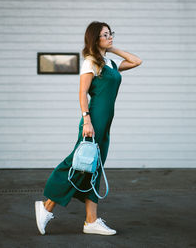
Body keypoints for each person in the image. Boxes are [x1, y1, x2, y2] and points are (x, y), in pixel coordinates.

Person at [35, 21, 142, 236]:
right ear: (95, 39)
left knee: (94, 168)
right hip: (92, 123)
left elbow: (137, 61)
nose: (110, 36)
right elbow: (82, 92)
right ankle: (46, 207)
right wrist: (87, 120)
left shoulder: (109, 62)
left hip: (105, 124)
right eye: (105, 34)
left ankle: (91, 221)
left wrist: (110, 48)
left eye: (110, 33)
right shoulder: (91, 62)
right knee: (76, 164)